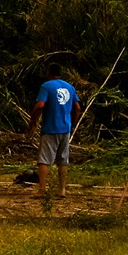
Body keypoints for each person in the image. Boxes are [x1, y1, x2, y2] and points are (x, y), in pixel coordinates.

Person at [25, 63, 81, 197]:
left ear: (48, 73)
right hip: (65, 128)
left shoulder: (47, 86)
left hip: (50, 128)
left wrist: (33, 120)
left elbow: (40, 105)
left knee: (44, 160)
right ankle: (62, 190)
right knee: (63, 160)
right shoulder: (70, 87)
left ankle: (42, 190)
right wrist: (73, 124)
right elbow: (78, 108)